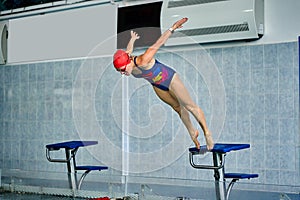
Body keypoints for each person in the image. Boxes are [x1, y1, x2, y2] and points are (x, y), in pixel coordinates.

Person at [112, 18, 214, 150]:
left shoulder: (144, 59)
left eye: (122, 70)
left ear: (128, 63)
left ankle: (207, 133)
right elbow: (128, 50)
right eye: (119, 71)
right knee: (177, 108)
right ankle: (192, 131)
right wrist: (132, 39)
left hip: (170, 78)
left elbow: (158, 43)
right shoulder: (127, 59)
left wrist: (172, 28)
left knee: (189, 106)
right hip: (157, 85)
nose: (122, 73)